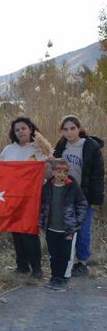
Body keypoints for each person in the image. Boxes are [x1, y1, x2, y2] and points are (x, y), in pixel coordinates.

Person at [0, 116, 51, 283]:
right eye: (17, 130)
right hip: (13, 196)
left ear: (30, 129)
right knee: (16, 231)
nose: (20, 131)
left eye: (23, 128)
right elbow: (0, 171)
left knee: (29, 231)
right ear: (14, 133)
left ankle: (36, 268)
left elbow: (49, 171)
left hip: (33, 197)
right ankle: (22, 265)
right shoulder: (8, 150)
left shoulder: (39, 149)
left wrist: (49, 161)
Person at [53, 115, 104, 277]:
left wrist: (96, 199)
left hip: (83, 196)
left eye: (72, 128)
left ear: (79, 128)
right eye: (65, 129)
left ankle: (82, 262)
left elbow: (97, 175)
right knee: (66, 229)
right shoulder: (61, 145)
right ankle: (67, 259)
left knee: (83, 230)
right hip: (65, 194)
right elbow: (54, 168)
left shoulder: (90, 146)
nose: (69, 132)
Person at [40, 159, 88, 290]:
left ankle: (64, 278)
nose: (62, 174)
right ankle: (55, 276)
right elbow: (41, 205)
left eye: (65, 171)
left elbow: (82, 204)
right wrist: (42, 221)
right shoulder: (47, 187)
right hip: (51, 228)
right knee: (53, 254)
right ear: (52, 172)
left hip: (68, 229)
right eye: (59, 171)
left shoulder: (72, 186)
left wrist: (77, 221)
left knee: (66, 255)